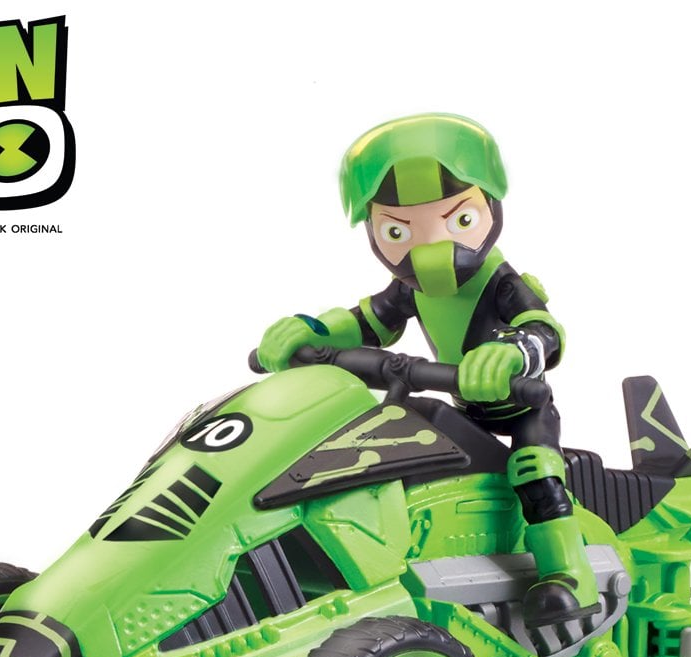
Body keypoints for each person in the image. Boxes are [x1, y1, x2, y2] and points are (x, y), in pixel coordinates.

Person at [257, 112, 599, 630]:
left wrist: (511, 353)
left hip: (521, 406)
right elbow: (369, 321)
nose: (432, 248)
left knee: (535, 472)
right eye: (398, 230)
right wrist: (310, 332)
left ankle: (569, 575)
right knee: (384, 453)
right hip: (462, 405)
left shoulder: (502, 282)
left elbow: (544, 331)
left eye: (459, 221)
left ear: (489, 207)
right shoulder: (410, 289)